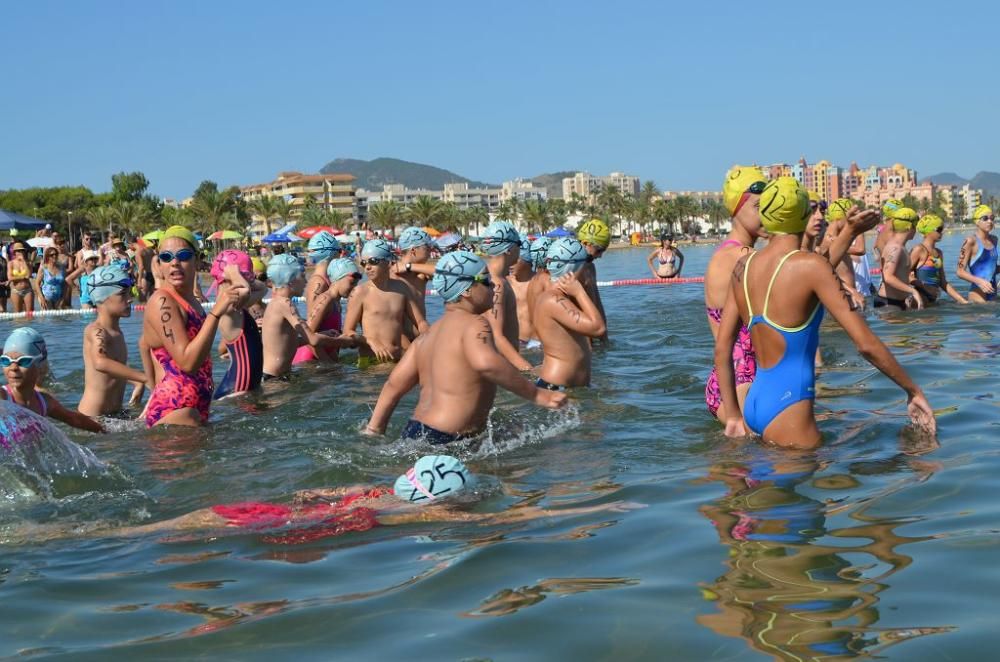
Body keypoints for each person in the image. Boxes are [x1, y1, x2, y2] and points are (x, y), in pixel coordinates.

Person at [715, 177, 935, 448]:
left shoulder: (742, 267)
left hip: (753, 403)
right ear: (804, 214)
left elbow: (722, 349)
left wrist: (735, 417)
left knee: (767, 486)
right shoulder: (810, 266)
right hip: (789, 406)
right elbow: (865, 344)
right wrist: (912, 390)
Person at [19, 455, 636, 544]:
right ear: (451, 504)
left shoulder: (380, 490)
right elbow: (524, 515)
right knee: (124, 539)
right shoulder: (419, 512)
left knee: (138, 531)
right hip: (286, 531)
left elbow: (319, 487)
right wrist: (598, 508)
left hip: (260, 510)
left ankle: (50, 533)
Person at [364, 251, 567, 444]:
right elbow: (486, 363)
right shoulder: (475, 324)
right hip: (449, 438)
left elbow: (393, 386)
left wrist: (374, 429)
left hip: (415, 432)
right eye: (485, 281)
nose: (492, 287)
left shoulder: (427, 337)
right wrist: (537, 394)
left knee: (511, 428)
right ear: (467, 290)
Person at [142, 226, 238, 427]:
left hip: (196, 408)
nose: (175, 263)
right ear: (159, 264)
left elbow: (143, 343)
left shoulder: (191, 301)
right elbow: (187, 362)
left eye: (183, 255)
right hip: (176, 410)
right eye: (166, 257)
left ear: (197, 259)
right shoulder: (162, 301)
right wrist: (216, 313)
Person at [704, 166, 766, 422]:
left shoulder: (729, 253)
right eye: (757, 206)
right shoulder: (741, 257)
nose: (766, 214)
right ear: (736, 209)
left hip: (729, 379)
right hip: (741, 380)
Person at [261, 254, 358, 380]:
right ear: (290, 280)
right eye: (302, 276)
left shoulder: (276, 303)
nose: (306, 282)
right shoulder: (285, 304)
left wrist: (324, 333)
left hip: (278, 376)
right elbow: (313, 340)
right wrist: (343, 341)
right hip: (274, 379)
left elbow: (290, 343)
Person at [532, 238, 606, 389]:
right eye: (584, 266)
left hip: (568, 388)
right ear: (572, 268)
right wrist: (579, 292)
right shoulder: (553, 301)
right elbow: (598, 329)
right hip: (556, 389)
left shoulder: (560, 298)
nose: (587, 271)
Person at [78, 264, 150, 417]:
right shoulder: (96, 331)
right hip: (93, 418)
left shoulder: (117, 332)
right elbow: (100, 362)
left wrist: (136, 383)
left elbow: (115, 368)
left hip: (116, 415)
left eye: (130, 293)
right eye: (122, 294)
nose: (130, 299)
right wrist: (144, 378)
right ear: (102, 297)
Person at [1, 328, 104, 433]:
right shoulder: (3, 398)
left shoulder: (43, 402)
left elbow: (73, 419)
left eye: (23, 361)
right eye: (5, 360)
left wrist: (104, 430)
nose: (13, 367)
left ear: (39, 365)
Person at [342, 239, 428, 364]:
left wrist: (432, 338)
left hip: (397, 359)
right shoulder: (360, 293)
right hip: (371, 361)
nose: (368, 267)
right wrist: (370, 341)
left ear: (388, 262)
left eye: (373, 261)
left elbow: (420, 322)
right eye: (364, 263)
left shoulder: (401, 288)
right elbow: (348, 332)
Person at [210, 250, 267, 399]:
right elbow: (246, 290)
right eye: (246, 276)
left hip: (244, 386)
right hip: (236, 389)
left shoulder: (239, 304)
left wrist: (245, 277)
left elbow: (263, 289)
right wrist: (237, 275)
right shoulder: (227, 305)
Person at [478, 221, 532, 371]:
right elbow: (497, 336)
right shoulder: (497, 284)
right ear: (508, 249)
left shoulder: (488, 276)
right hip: (503, 366)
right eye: (519, 244)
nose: (520, 249)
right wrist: (528, 369)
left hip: (500, 362)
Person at [292, 232, 345, 365]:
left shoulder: (328, 282)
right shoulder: (319, 284)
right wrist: (329, 364)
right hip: (313, 360)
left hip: (321, 358)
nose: (341, 254)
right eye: (339, 250)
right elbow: (309, 332)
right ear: (331, 253)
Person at [909, 214, 967, 305]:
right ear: (928, 231)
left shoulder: (939, 253)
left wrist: (962, 301)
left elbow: (943, 282)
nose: (942, 233)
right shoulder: (919, 250)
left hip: (933, 299)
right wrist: (925, 287)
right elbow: (903, 275)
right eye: (939, 229)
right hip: (920, 299)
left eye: (942, 230)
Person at [875, 207, 922, 311]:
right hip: (889, 304)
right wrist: (913, 291)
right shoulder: (895, 248)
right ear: (909, 227)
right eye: (915, 227)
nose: (916, 231)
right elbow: (888, 277)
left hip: (897, 302)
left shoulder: (899, 247)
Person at [391, 227, 436, 334]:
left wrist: (409, 266)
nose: (431, 250)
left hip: (422, 336)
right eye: (427, 247)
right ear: (413, 250)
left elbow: (446, 272)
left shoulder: (421, 272)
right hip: (400, 340)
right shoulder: (393, 274)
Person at [576, 218, 611, 341]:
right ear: (586, 243)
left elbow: (598, 303)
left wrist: (605, 337)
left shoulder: (591, 267)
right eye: (599, 250)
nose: (600, 256)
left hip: (591, 335)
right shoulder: (572, 270)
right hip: (578, 339)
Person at [955, 204, 998, 303]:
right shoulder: (970, 241)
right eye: (985, 218)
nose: (990, 221)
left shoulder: (994, 240)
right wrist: (980, 282)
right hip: (978, 293)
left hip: (993, 291)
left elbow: (991, 268)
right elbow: (960, 272)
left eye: (992, 218)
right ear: (977, 222)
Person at [508, 234, 537, 346]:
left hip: (535, 343)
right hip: (514, 343)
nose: (510, 264)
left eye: (515, 260)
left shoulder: (538, 282)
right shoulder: (506, 283)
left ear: (527, 259)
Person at [7, 241, 35, 313]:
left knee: (30, 313)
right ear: (14, 252)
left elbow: (29, 275)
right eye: (18, 251)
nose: (20, 252)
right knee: (17, 314)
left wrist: (24, 261)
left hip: (28, 290)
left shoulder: (28, 262)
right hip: (16, 291)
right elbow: (10, 277)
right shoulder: (11, 263)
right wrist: (23, 277)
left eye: (22, 250)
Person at [133, 237, 155, 302]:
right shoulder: (149, 249)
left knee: (142, 300)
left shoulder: (138, 252)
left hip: (145, 276)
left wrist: (139, 280)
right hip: (153, 274)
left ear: (131, 244)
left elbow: (141, 266)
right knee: (152, 300)